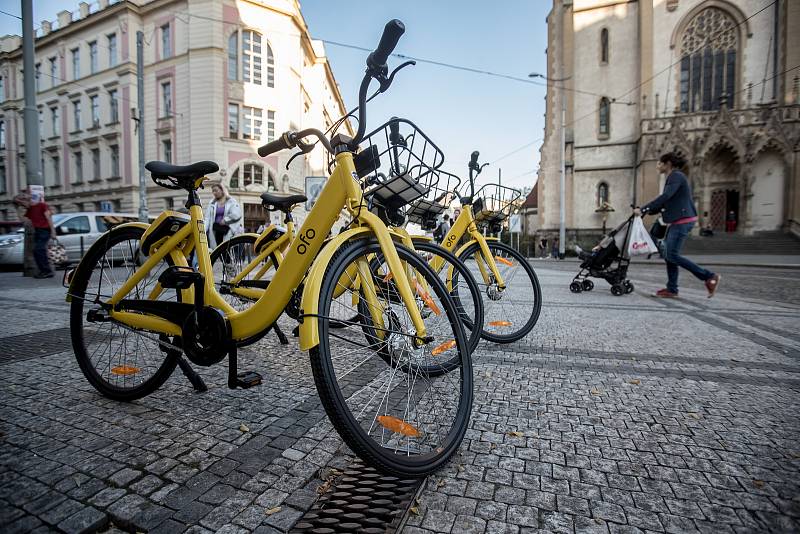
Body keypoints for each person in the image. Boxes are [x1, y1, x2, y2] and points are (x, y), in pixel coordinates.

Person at [635, 152, 721, 298]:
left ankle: (709, 277)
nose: (658, 166)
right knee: (669, 255)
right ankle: (672, 289)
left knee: (671, 254)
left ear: (667, 164)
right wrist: (648, 210)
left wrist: (644, 209)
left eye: (660, 163)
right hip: (678, 221)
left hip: (683, 221)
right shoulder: (673, 178)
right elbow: (667, 201)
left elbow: (666, 197)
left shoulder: (676, 176)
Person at [23, 193, 57, 278]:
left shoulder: (42, 205)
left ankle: (47, 271)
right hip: (37, 231)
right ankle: (43, 271)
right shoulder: (31, 208)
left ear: (34, 199)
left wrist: (53, 232)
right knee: (36, 251)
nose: (28, 202)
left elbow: (49, 218)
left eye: (30, 200)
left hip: (45, 230)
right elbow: (24, 218)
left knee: (39, 249)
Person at [205, 183, 243, 249]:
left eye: (216, 190)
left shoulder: (231, 201)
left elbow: (237, 214)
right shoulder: (212, 203)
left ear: (222, 190)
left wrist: (225, 220)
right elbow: (207, 218)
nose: (214, 193)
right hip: (215, 230)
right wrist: (204, 230)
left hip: (227, 230)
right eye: (213, 191)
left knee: (226, 249)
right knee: (216, 250)